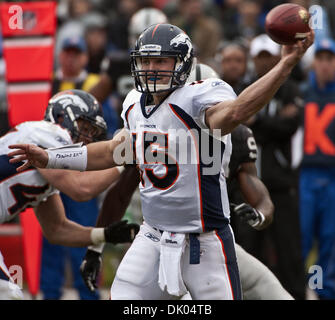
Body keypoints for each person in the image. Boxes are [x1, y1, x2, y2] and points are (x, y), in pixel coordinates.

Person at [9, 24, 314, 300]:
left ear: (181, 64)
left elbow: (235, 113)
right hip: (153, 236)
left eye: (161, 61)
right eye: (146, 61)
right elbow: (112, 152)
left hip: (204, 240)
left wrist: (286, 65)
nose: (151, 69)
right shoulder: (132, 105)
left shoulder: (197, 98)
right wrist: (51, 157)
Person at [80, 63, 293, 300]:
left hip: (212, 240)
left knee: (270, 289)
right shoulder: (157, 133)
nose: (202, 111)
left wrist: (261, 215)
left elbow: (259, 193)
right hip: (162, 240)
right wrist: (95, 246)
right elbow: (120, 192)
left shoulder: (238, 134)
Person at [1, 89, 139, 299]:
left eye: (93, 133)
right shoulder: (47, 133)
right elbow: (81, 188)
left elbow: (57, 229)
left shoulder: (50, 167)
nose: (88, 139)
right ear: (60, 116)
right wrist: (125, 161)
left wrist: (103, 235)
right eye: (85, 128)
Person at [242, 33, 307, 299]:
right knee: (248, 251)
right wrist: (269, 123)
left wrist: (258, 123)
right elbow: (240, 124)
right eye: (260, 57)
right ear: (253, 60)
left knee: (289, 251)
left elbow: (289, 126)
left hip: (281, 184)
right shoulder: (244, 90)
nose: (264, 62)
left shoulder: (290, 89)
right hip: (248, 185)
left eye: (269, 56)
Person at [41, 35, 102, 300]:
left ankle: (88, 294)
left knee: (79, 236)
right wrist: (124, 165)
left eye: (77, 53)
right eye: (67, 52)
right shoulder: (47, 84)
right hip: (56, 174)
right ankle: (50, 292)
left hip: (79, 170)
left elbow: (100, 138)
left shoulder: (95, 84)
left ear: (85, 57)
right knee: (52, 239)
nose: (71, 58)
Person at [299, 37, 335, 300]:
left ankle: (322, 290)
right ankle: (304, 286)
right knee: (303, 235)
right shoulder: (301, 94)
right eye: (320, 59)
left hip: (332, 177)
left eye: (329, 59)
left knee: (329, 238)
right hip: (305, 175)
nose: (324, 65)